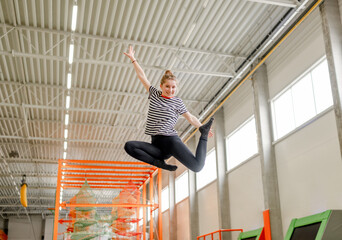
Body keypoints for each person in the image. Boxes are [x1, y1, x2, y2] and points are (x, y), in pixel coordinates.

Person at [123, 46, 214, 172]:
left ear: (176, 88)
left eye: (173, 87)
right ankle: (159, 164)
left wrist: (200, 126)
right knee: (129, 146)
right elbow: (142, 76)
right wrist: (133, 59)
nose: (170, 90)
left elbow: (190, 117)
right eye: (167, 86)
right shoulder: (154, 94)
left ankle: (203, 136)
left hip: (170, 141)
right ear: (161, 86)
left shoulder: (177, 102)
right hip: (157, 146)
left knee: (197, 167)